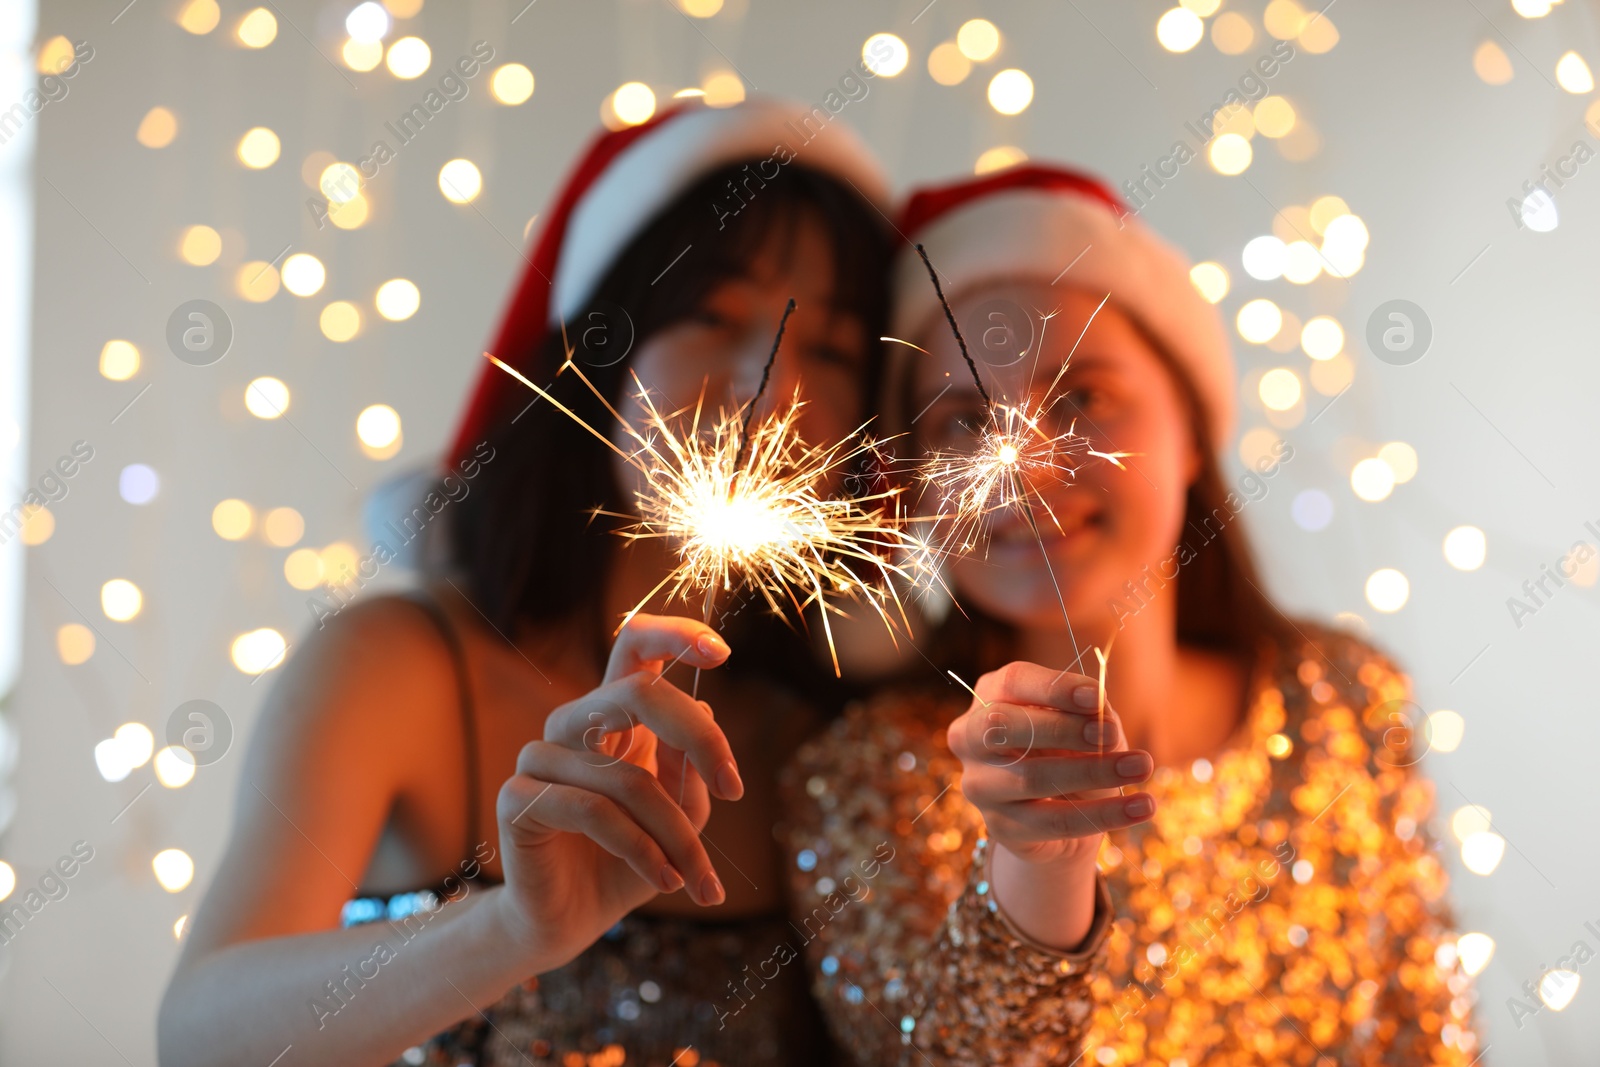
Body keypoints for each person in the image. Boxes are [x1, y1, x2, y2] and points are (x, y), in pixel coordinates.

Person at [156, 97, 899, 1067]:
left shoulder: (832, 742)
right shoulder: (398, 664)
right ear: (598, 351)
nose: (772, 383)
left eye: (832, 349)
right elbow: (199, 1037)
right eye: (715, 314)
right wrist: (511, 927)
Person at [773, 165, 1485, 1065]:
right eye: (960, 422)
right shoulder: (863, 783)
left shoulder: (1344, 700)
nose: (1023, 469)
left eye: (1079, 398)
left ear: (1190, 425)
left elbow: (1428, 1039)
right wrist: (1037, 871)